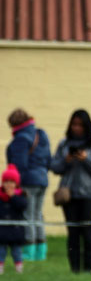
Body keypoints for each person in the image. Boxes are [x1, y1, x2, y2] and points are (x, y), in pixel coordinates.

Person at [50, 109, 91, 274]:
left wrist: (87, 159)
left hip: (90, 195)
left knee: (87, 231)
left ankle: (88, 268)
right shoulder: (64, 144)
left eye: (80, 125)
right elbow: (54, 167)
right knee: (73, 232)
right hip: (69, 195)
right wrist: (66, 161)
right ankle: (74, 269)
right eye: (74, 124)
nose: (76, 128)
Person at [6, 108, 52, 262]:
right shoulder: (41, 134)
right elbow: (47, 159)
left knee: (27, 215)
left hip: (28, 182)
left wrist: (16, 184)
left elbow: (19, 165)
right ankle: (41, 251)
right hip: (42, 180)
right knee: (38, 215)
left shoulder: (20, 138)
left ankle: (29, 251)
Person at [0, 164, 28, 274]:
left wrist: (13, 197)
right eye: (6, 181)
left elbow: (22, 206)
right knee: (1, 251)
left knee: (16, 251)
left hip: (16, 231)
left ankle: (19, 268)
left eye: (12, 182)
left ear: (16, 183)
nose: (9, 184)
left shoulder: (21, 195)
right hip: (2, 231)